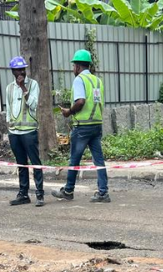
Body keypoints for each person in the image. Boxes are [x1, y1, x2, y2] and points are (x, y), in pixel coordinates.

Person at [52, 49, 109, 203]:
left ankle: (68, 190)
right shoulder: (97, 81)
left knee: (74, 159)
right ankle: (103, 193)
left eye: (73, 66)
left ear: (77, 66)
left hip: (82, 126)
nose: (73, 69)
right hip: (96, 125)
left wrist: (69, 112)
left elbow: (81, 101)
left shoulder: (79, 80)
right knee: (99, 160)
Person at [4, 56, 43, 207]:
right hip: (14, 132)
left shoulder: (33, 84)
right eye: (17, 70)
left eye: (23, 69)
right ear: (12, 71)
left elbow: (33, 105)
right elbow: (8, 108)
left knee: (35, 163)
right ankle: (23, 194)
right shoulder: (9, 88)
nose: (21, 72)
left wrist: (23, 88)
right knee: (21, 164)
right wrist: (9, 127)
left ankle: (40, 194)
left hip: (29, 131)